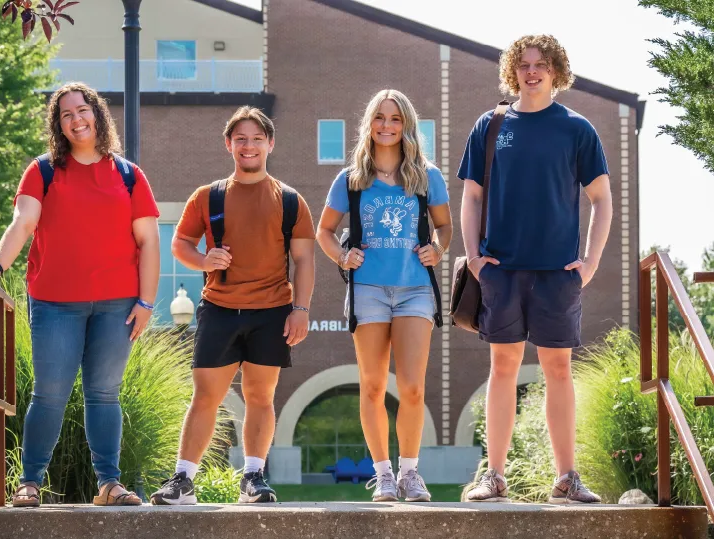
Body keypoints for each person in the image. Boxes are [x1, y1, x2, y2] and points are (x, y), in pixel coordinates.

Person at [0, 82, 160, 507]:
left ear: (96, 113)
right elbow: (23, 223)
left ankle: (109, 484)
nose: (76, 119)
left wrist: (147, 302)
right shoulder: (43, 170)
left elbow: (149, 242)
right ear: (58, 125)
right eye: (66, 114)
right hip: (55, 302)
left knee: (104, 393)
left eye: (82, 110)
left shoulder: (130, 175)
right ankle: (29, 481)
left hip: (117, 304)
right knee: (50, 392)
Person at [458, 35, 612, 503]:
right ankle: (495, 476)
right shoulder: (491, 125)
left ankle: (567, 478)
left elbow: (601, 199)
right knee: (502, 368)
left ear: (556, 71)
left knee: (558, 370)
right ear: (513, 71)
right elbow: (471, 197)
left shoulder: (577, 129)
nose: (532, 72)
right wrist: (475, 258)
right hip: (500, 270)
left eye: (541, 64)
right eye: (523, 65)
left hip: (556, 273)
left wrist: (589, 263)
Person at [149, 106, 316, 505]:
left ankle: (254, 478)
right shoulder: (208, 197)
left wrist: (302, 309)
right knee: (205, 396)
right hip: (219, 307)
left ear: (270, 144)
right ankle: (183, 481)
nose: (249, 145)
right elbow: (180, 244)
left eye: (257, 138)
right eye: (240, 138)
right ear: (229, 145)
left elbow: (305, 260)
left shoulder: (291, 201)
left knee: (261, 395)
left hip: (272, 310)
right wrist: (204, 261)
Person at [316, 89, 452, 502]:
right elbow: (323, 232)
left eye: (395, 119)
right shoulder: (351, 179)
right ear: (369, 124)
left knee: (411, 387)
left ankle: (410, 473)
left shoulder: (428, 175)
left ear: (406, 124)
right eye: (380, 118)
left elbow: (444, 229)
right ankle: (384, 474)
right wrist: (342, 255)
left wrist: (439, 248)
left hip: (415, 291)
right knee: (373, 385)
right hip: (368, 290)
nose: (387, 126)